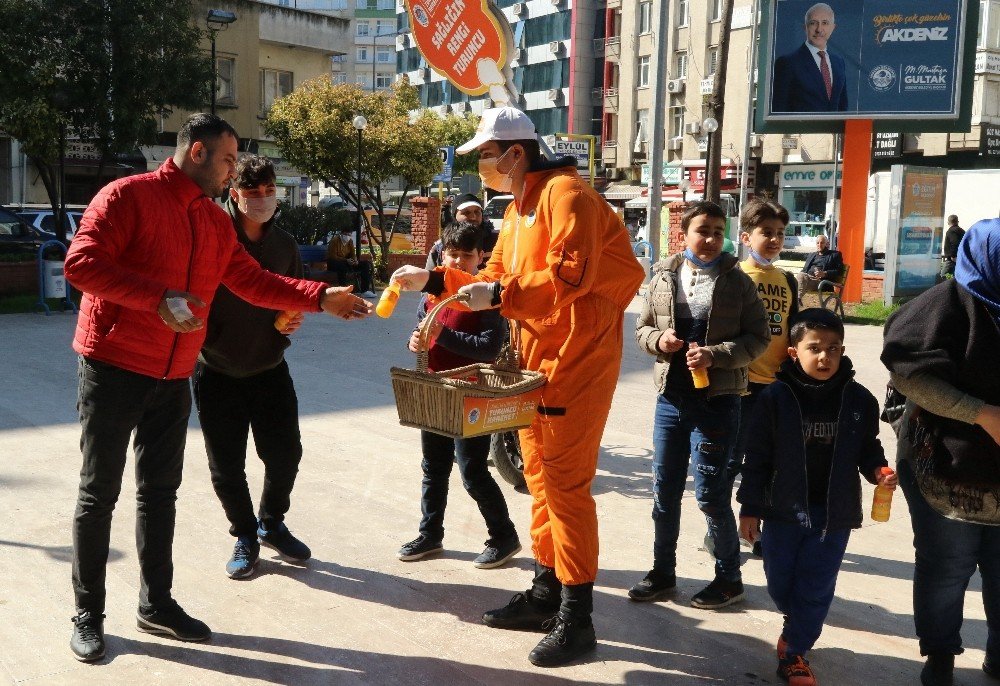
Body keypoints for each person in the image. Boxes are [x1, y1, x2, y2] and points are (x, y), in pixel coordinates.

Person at [64, 113, 373, 663]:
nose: (235, 173)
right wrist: (157, 298)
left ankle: (155, 604)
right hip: (113, 364)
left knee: (159, 495)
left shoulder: (212, 221)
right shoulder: (127, 196)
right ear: (199, 153)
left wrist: (318, 296)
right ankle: (89, 612)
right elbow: (82, 264)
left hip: (174, 373)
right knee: (99, 494)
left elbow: (252, 280)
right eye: (229, 160)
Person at [390, 106, 644, 667]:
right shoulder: (521, 205)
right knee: (537, 476)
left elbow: (569, 275)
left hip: (578, 359)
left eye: (485, 154)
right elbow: (492, 277)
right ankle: (546, 589)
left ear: (515, 153)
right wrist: (432, 277)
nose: (481, 165)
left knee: (567, 485)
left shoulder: (566, 195)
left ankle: (578, 619)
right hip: (536, 358)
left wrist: (501, 298)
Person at [738, 308, 894, 686]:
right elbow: (756, 457)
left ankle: (794, 653)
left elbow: (867, 447)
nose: (825, 357)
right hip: (782, 510)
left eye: (834, 349)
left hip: (833, 512)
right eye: (815, 348)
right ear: (794, 352)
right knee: (780, 584)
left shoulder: (858, 400)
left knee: (816, 584)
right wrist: (750, 508)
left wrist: (879, 471)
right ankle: (796, 622)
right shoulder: (775, 398)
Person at [629, 201, 769, 610]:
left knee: (710, 495)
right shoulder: (662, 276)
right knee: (664, 494)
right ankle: (662, 573)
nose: (710, 239)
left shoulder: (738, 281)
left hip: (718, 402)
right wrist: (661, 341)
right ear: (683, 235)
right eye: (702, 230)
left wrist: (716, 354)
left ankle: (729, 579)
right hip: (670, 401)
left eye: (717, 231)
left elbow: (757, 339)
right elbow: (642, 329)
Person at [882, 218, 1000, 686]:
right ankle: (941, 654)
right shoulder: (945, 305)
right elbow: (907, 373)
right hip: (945, 469)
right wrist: (982, 414)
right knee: (947, 566)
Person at [193, 154, 313, 580]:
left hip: (269, 366)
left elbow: (293, 296)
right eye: (252, 192)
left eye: (268, 191)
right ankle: (244, 535)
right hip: (216, 368)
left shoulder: (284, 245)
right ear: (233, 192)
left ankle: (271, 522)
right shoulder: (212, 235)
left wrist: (292, 316)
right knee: (226, 464)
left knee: (285, 454)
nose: (262, 199)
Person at [398, 220, 521, 568]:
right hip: (436, 389)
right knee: (433, 467)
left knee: (473, 472)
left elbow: (486, 349)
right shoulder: (432, 293)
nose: (457, 262)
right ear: (442, 254)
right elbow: (422, 333)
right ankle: (430, 534)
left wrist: (440, 335)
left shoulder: (485, 296)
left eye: (466, 256)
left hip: (473, 393)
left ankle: (504, 537)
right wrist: (415, 341)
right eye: (452, 255)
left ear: (480, 258)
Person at [728, 199, 798, 555]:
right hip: (740, 388)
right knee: (731, 462)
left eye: (780, 234)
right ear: (745, 236)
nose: (773, 239)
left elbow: (794, 328)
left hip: (777, 387)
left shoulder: (787, 279)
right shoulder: (734, 276)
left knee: (771, 464)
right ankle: (724, 531)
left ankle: (763, 532)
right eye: (765, 232)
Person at [771, 3, 848, 113]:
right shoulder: (787, 63)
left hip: (833, 129)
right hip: (801, 129)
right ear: (805, 27)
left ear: (833, 28)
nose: (819, 29)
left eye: (825, 23)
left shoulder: (838, 62)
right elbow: (779, 109)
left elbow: (842, 106)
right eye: (813, 23)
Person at [425, 194, 491, 269]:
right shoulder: (440, 247)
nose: (473, 217)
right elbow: (430, 277)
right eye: (466, 212)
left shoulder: (498, 241)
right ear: (454, 215)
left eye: (477, 212)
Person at [326, 227, 375, 297]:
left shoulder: (350, 241)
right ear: (341, 234)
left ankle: (365, 291)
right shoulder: (334, 241)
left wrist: (355, 260)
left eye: (349, 235)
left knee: (365, 264)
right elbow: (332, 256)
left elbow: (352, 254)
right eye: (345, 234)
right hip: (334, 263)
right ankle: (343, 290)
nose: (347, 237)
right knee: (342, 266)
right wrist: (346, 260)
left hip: (346, 262)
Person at [796, 234, 843, 305]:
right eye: (817, 243)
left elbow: (839, 271)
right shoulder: (812, 255)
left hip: (822, 282)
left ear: (826, 244)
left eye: (822, 243)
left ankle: (796, 300)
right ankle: (797, 299)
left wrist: (825, 273)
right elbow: (804, 270)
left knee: (801, 276)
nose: (819, 245)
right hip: (807, 279)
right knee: (799, 276)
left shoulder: (835, 255)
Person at [940, 214, 965, 279]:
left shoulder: (951, 231)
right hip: (960, 258)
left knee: (942, 276)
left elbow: (955, 243)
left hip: (951, 259)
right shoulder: (962, 231)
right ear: (957, 222)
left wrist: (953, 256)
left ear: (948, 222)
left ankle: (946, 288)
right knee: (957, 277)